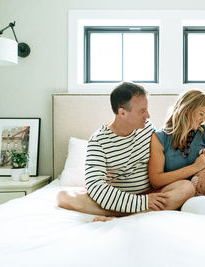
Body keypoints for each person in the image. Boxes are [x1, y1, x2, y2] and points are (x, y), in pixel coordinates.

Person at [56, 82, 195, 221]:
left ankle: (119, 217)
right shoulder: (99, 140)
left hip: (152, 193)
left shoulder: (147, 128)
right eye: (142, 111)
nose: (148, 115)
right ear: (122, 112)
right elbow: (97, 186)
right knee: (63, 197)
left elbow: (172, 153)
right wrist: (142, 203)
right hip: (118, 197)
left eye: (146, 109)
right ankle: (136, 211)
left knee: (186, 188)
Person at [149, 89, 205, 198]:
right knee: (186, 187)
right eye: (201, 114)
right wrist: (195, 167)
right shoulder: (160, 138)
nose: (203, 120)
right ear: (187, 110)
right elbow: (156, 180)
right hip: (174, 192)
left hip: (200, 194)